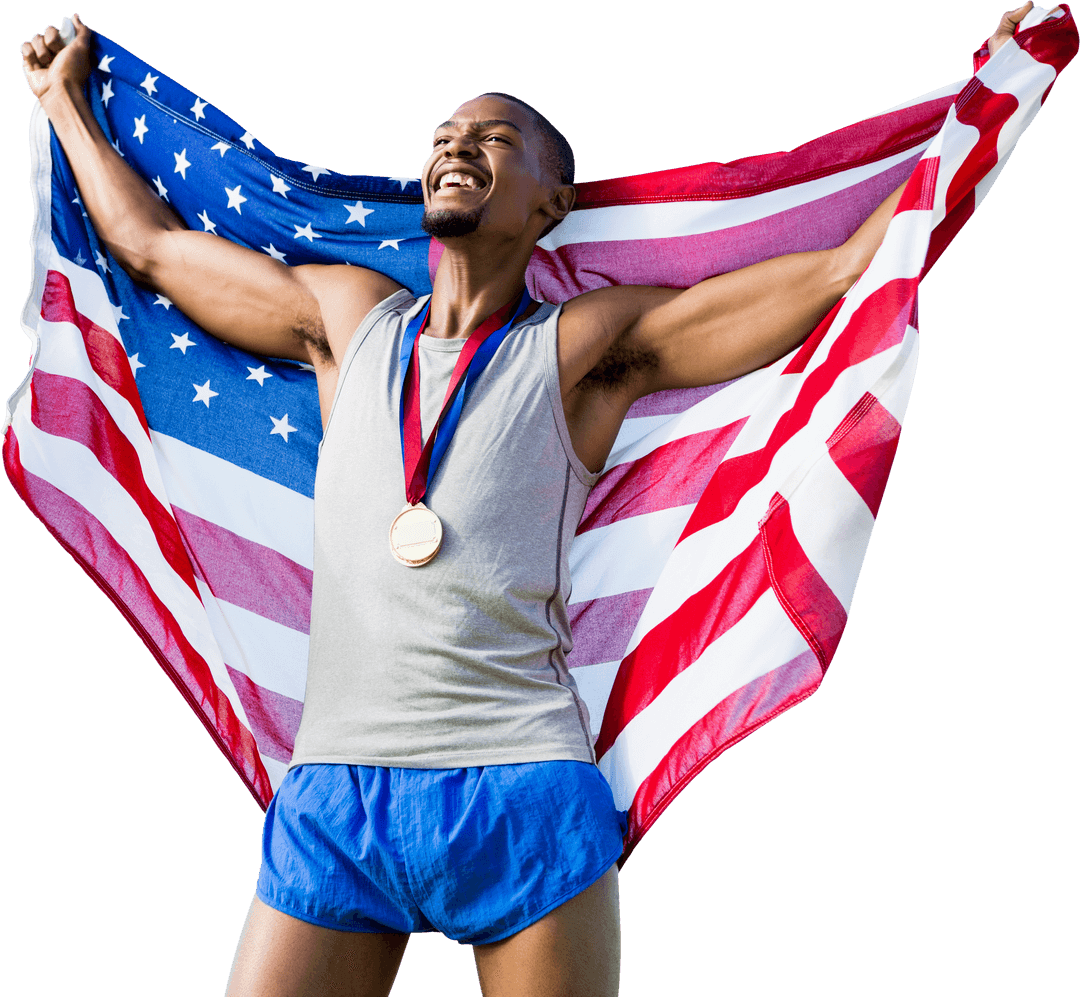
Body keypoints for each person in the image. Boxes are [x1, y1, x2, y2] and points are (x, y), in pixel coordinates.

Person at [17, 6, 1055, 996]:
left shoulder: (581, 351)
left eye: (498, 139)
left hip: (520, 789)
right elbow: (149, 247)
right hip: (337, 791)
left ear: (552, 203)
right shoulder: (345, 317)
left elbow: (835, 271)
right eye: (446, 134)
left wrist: (994, 90)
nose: (458, 145)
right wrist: (63, 100)